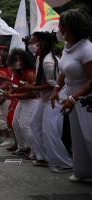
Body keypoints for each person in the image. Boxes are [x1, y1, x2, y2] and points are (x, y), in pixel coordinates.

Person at [50, 9, 92, 182]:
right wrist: (56, 90)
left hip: (86, 99)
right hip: (71, 98)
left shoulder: (87, 49)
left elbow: (91, 80)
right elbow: (63, 71)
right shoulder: (68, 48)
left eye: (62, 27)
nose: (59, 30)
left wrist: (74, 98)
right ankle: (83, 171)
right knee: (78, 137)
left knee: (89, 136)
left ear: (72, 28)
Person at [23, 32, 73, 171]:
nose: (30, 45)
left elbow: (53, 85)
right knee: (34, 124)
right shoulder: (40, 58)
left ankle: (63, 163)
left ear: (41, 43)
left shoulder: (48, 61)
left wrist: (31, 87)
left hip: (55, 97)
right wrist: (29, 86)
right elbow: (42, 82)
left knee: (50, 130)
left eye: (32, 42)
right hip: (45, 97)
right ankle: (44, 157)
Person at [5, 49, 38, 157]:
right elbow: (16, 88)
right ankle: (22, 147)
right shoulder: (19, 73)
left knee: (25, 125)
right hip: (22, 101)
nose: (17, 62)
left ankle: (35, 151)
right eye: (15, 60)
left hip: (31, 101)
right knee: (15, 124)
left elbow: (32, 93)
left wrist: (13, 95)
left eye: (20, 60)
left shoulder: (29, 73)